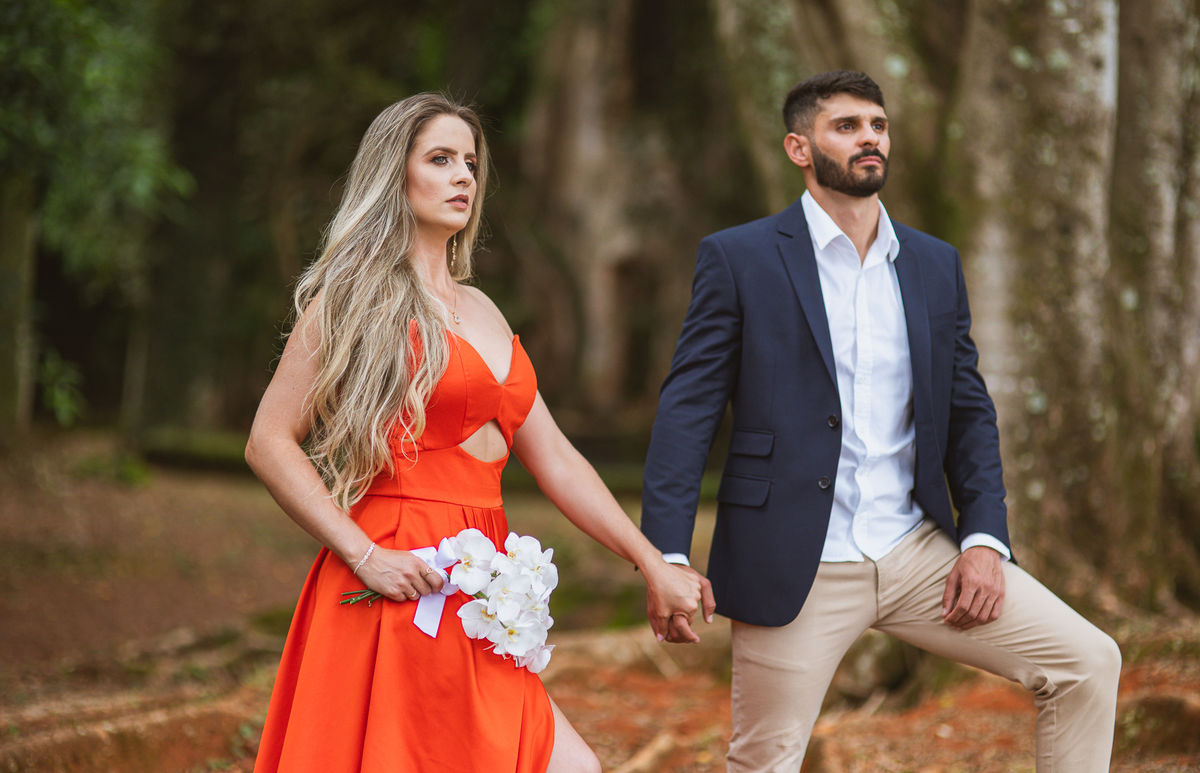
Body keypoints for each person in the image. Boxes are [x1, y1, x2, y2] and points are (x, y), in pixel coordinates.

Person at [640, 71, 1122, 773]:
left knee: (1088, 661)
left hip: (917, 553)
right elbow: (688, 408)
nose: (869, 137)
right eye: (846, 126)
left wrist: (985, 536)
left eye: (878, 124)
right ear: (799, 148)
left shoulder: (932, 263)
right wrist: (668, 555)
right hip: (795, 562)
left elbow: (967, 410)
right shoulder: (740, 257)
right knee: (763, 760)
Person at [245, 93, 712, 773]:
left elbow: (553, 455)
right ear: (394, 175)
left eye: (470, 161)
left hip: (484, 592)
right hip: (401, 578)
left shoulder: (483, 307)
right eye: (440, 159)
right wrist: (362, 552)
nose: (465, 175)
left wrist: (650, 559)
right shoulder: (353, 298)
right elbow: (268, 440)